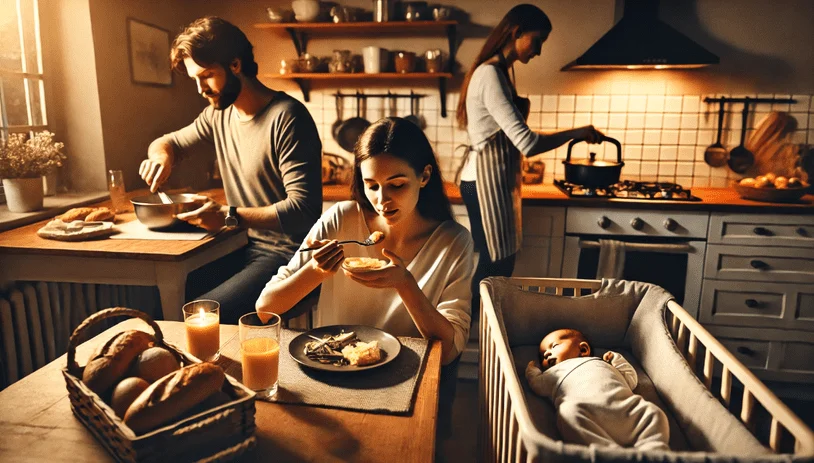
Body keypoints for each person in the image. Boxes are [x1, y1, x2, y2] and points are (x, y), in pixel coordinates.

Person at [138, 17, 322, 324]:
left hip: (292, 256)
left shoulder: (288, 118)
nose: (200, 89)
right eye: (195, 78)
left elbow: (304, 210)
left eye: (207, 76)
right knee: (167, 304)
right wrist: (161, 157)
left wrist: (228, 214)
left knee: (204, 315)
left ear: (235, 64)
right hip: (244, 246)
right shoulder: (216, 116)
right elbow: (167, 142)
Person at [256, 116, 474, 366]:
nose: (382, 200)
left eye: (397, 185)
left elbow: (448, 352)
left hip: (406, 375)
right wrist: (316, 271)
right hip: (333, 368)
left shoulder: (454, 242)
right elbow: (265, 308)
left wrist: (405, 284)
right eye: (372, 186)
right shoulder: (341, 219)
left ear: (424, 176)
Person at [456, 4, 604, 312]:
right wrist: (577, 132)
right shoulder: (490, 74)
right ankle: (467, 333)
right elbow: (527, 142)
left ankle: (477, 331)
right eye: (537, 40)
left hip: (493, 179)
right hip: (484, 180)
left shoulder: (501, 72)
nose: (538, 50)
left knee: (498, 262)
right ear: (516, 32)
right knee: (494, 264)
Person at [525, 328, 670, 451]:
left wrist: (617, 360)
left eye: (554, 346)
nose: (547, 354)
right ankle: (608, 452)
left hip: (625, 408)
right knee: (568, 415)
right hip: (584, 411)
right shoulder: (553, 373)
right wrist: (533, 372)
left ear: (583, 349)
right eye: (543, 355)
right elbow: (538, 384)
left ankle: (653, 448)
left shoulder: (604, 363)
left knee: (653, 413)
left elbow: (631, 379)